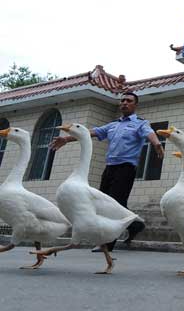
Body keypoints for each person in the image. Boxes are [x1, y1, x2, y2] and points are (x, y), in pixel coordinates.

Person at [50, 91, 164, 251]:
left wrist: (157, 143)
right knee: (108, 202)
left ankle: (106, 244)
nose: (124, 103)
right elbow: (88, 133)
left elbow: (150, 133)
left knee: (115, 200)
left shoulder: (140, 123)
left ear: (135, 105)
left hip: (126, 168)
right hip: (109, 168)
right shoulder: (113, 125)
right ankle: (135, 225)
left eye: (129, 101)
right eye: (122, 100)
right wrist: (67, 139)